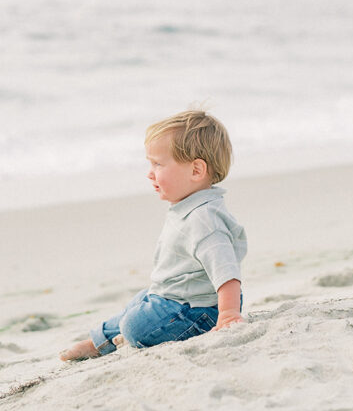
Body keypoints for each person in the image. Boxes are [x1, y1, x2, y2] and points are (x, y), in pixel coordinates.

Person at [60, 109, 247, 361]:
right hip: (179, 297)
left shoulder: (205, 219)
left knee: (135, 325)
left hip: (200, 311)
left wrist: (228, 314)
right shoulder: (189, 206)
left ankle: (123, 337)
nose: (150, 173)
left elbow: (226, 271)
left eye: (158, 164)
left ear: (196, 171)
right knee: (140, 301)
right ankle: (100, 342)